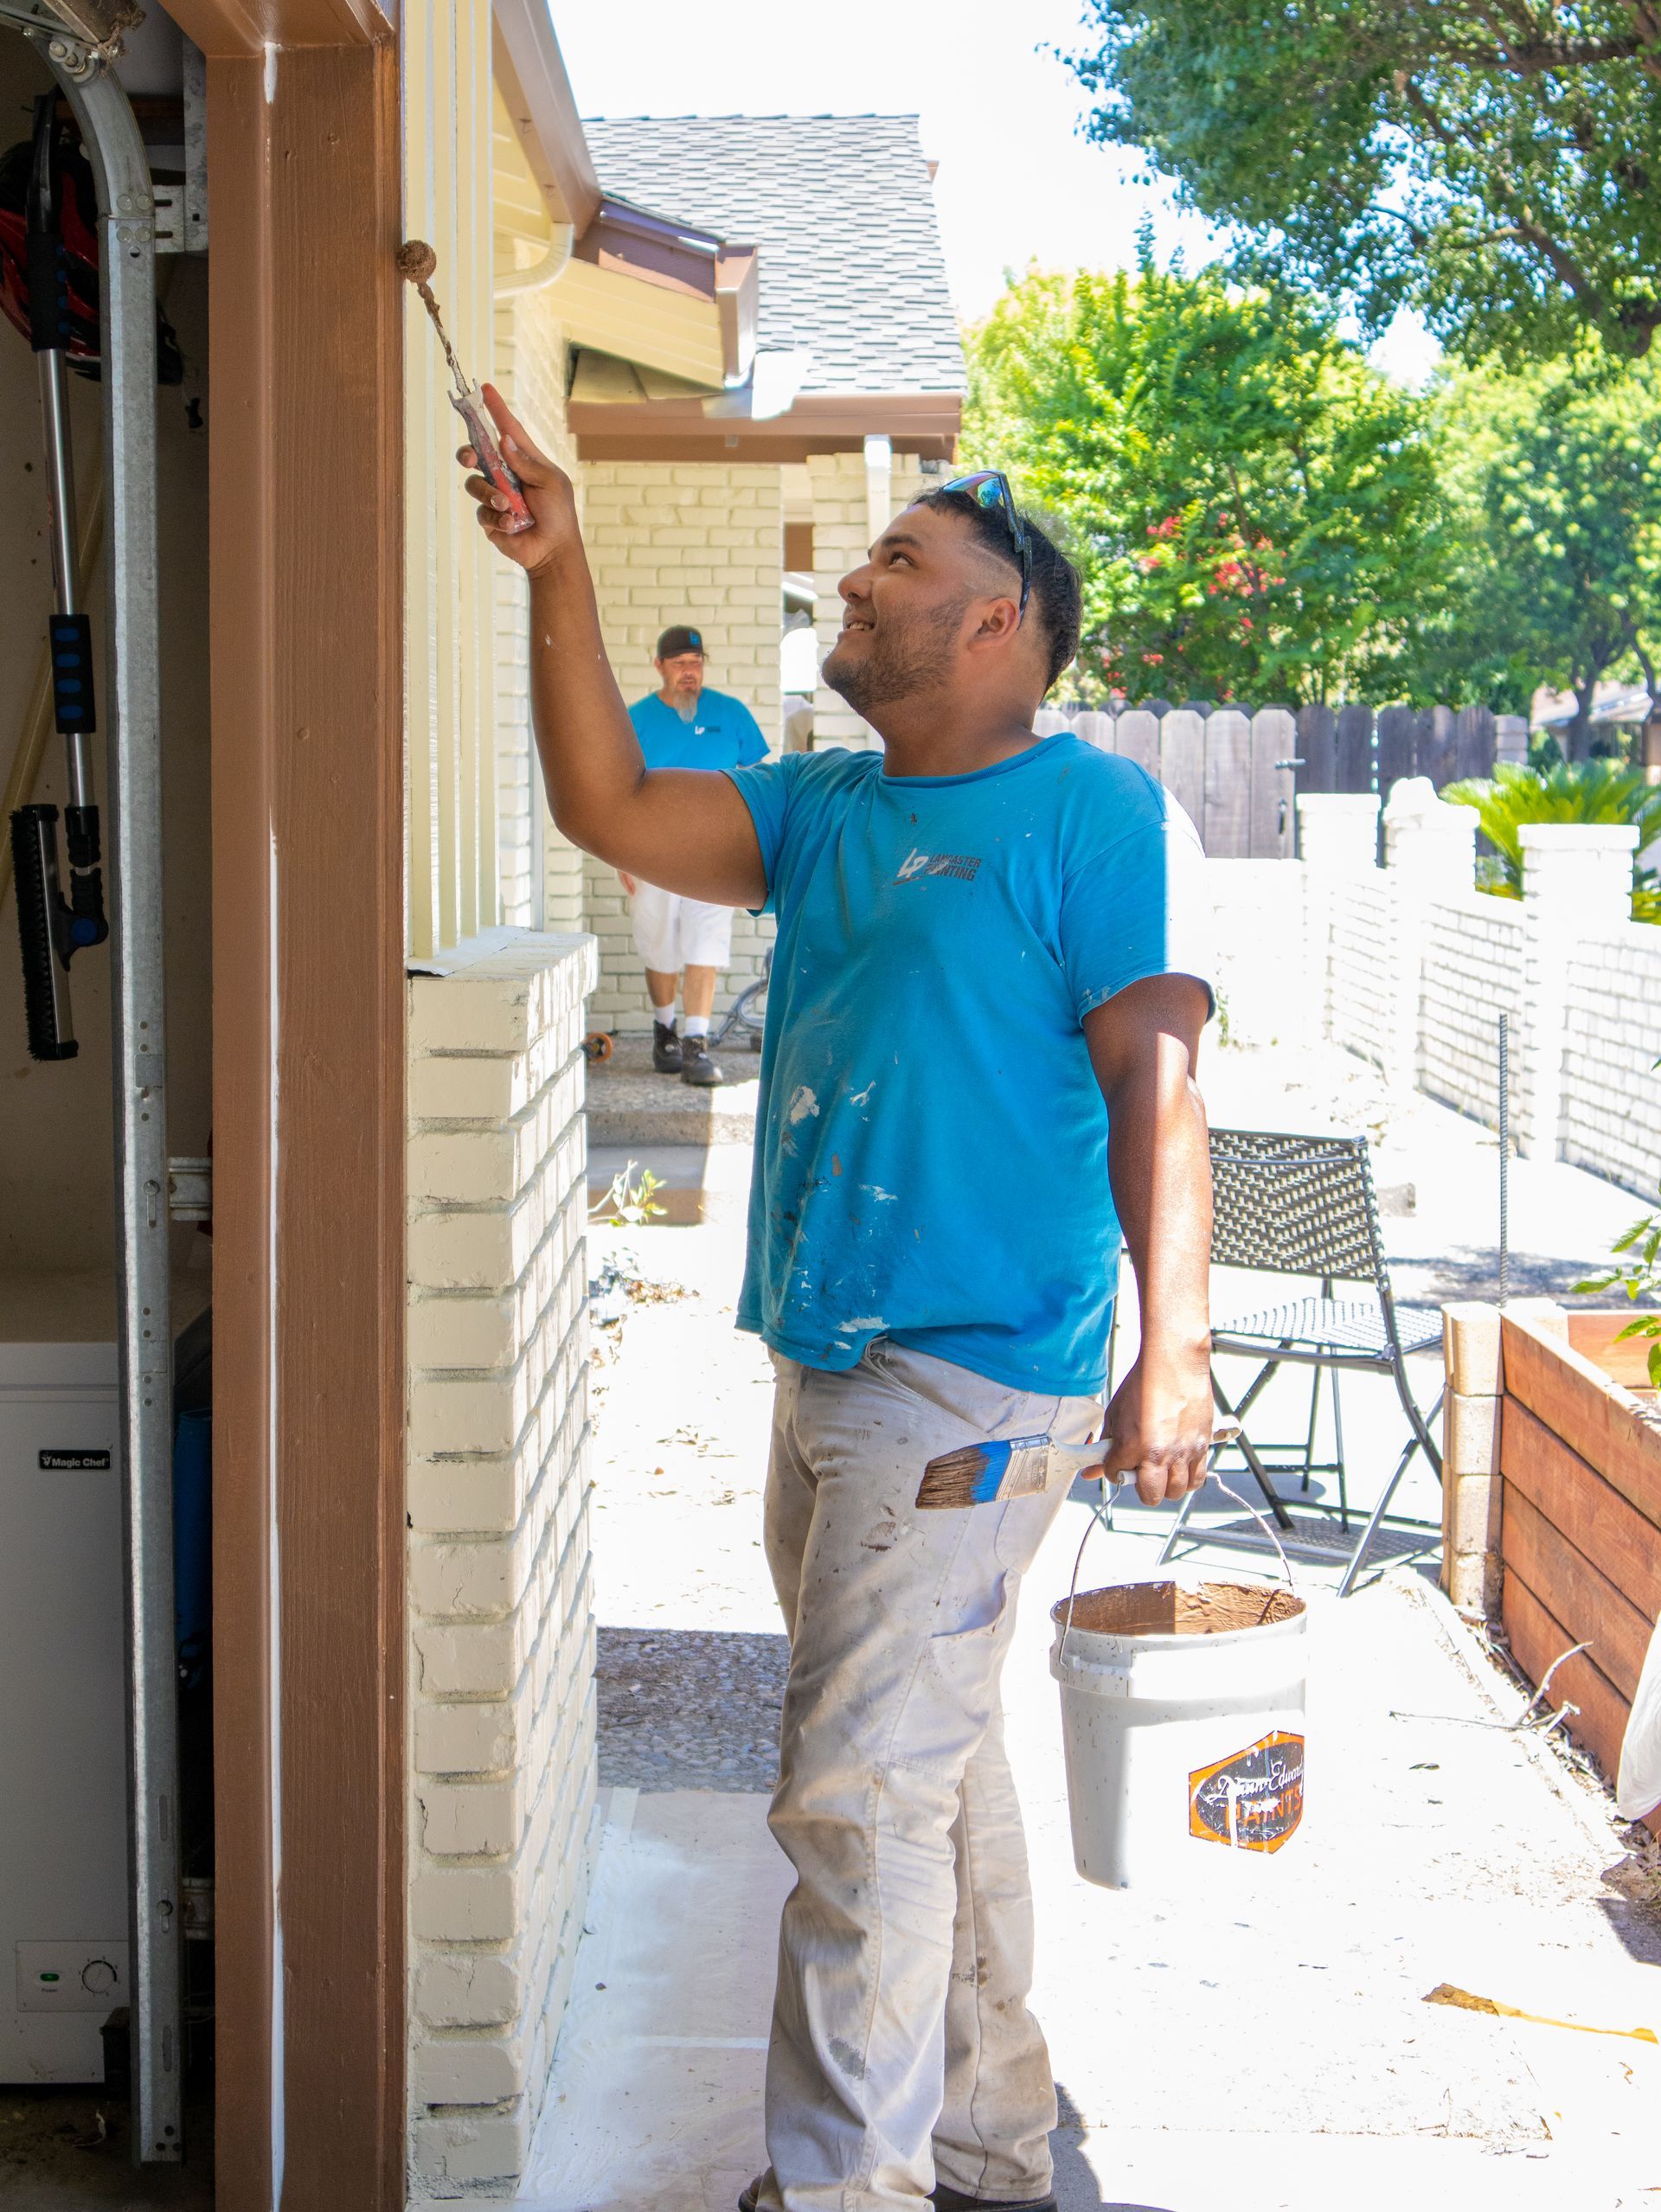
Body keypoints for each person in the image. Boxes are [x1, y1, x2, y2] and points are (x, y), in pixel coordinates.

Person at [460, 394, 1217, 2212]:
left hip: (971, 1380)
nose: (858, 585)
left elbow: (1161, 1084)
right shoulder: (827, 805)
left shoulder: (1092, 810)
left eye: (903, 565)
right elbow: (611, 804)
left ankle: (840, 2189)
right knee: (922, 1774)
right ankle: (983, 2136)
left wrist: (1174, 1347)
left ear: (997, 626)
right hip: (832, 1360)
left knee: (857, 1797)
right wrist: (559, 571)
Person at [624, 623, 769, 1086]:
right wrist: (621, 854)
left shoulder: (733, 715)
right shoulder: (635, 719)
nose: (690, 672)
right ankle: (664, 1030)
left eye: (697, 662)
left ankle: (696, 1045)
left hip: (716, 853)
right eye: (680, 663)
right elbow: (617, 791)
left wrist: (754, 843)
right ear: (660, 667)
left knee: (704, 944)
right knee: (659, 943)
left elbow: (762, 783)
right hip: (651, 852)